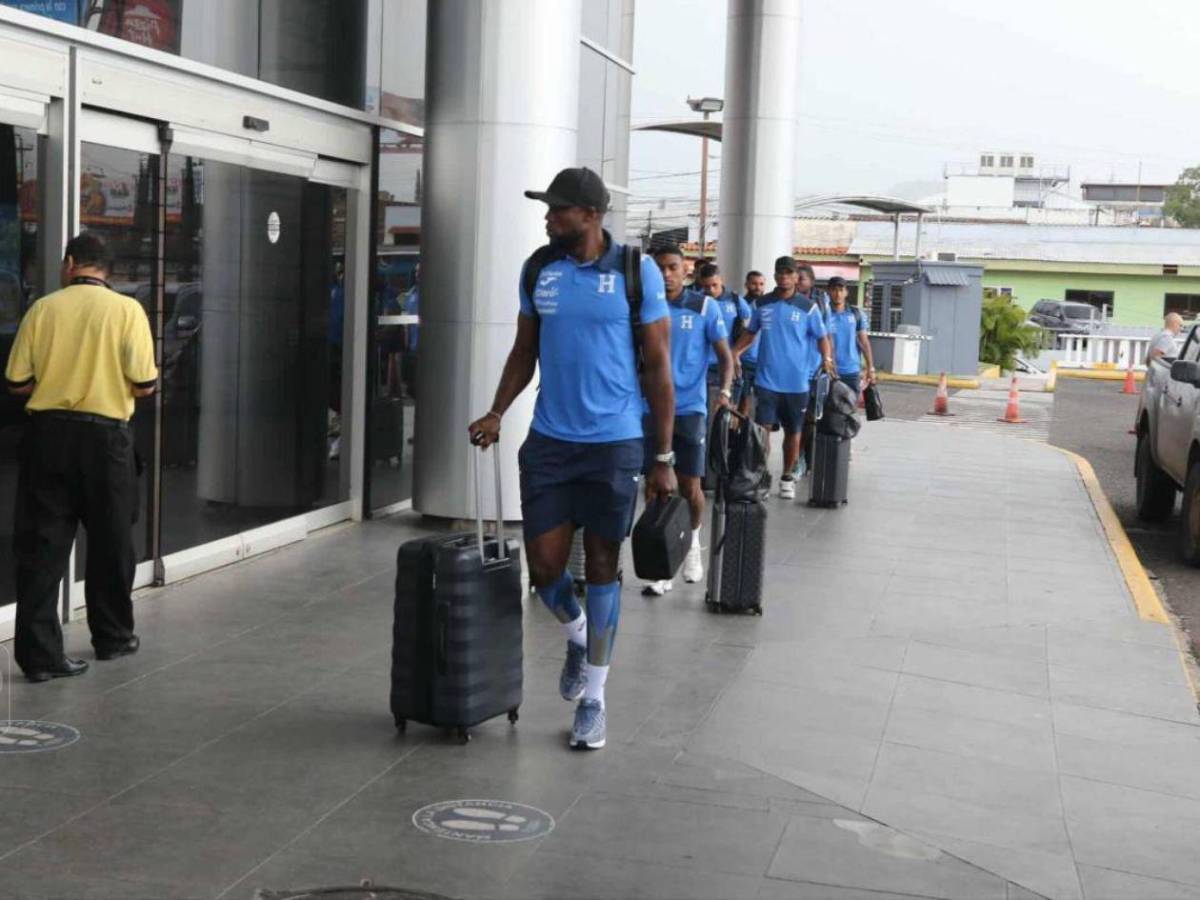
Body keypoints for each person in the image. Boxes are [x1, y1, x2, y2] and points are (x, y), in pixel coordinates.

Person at [468, 167, 675, 751]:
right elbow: (524, 349)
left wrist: (663, 455)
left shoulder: (637, 272)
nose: (548, 217)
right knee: (547, 568)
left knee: (605, 565)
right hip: (552, 442)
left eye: (557, 209)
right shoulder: (541, 269)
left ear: (590, 214)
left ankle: (594, 699)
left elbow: (658, 366)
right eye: (548, 209)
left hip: (614, 443)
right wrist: (496, 411)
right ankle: (580, 636)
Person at [6, 233, 157, 682]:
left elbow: (17, 383)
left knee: (42, 545)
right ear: (105, 270)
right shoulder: (128, 311)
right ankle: (112, 637)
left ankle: (39, 657)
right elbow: (145, 385)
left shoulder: (43, 309)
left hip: (47, 437)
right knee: (112, 542)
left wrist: (58, 382)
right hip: (107, 441)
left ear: (70, 263)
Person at [642, 246, 734, 597]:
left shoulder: (703, 307)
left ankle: (693, 543)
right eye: (660, 268)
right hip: (649, 410)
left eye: (672, 267)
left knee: (689, 487)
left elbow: (726, 356)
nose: (666, 274)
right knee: (654, 487)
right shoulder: (644, 307)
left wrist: (724, 392)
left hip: (690, 409)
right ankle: (661, 563)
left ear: (686, 270)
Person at [731, 255, 833, 500]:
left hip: (797, 382)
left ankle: (787, 476)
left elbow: (822, 337)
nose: (785, 277)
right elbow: (750, 332)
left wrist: (827, 360)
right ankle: (761, 475)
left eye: (789, 273)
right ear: (775, 276)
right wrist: (734, 352)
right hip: (767, 380)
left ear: (796, 277)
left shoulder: (808, 307)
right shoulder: (762, 304)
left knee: (793, 431)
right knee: (762, 429)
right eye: (781, 273)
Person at [696, 262, 751, 403]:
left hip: (726, 363)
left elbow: (750, 330)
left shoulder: (735, 301)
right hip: (702, 364)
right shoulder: (697, 302)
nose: (711, 290)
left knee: (726, 410)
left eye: (714, 285)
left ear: (721, 280)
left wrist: (737, 353)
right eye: (706, 286)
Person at [824, 276, 876, 397]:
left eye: (841, 290)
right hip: (829, 371)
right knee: (827, 412)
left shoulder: (856, 314)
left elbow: (864, 342)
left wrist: (870, 368)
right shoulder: (822, 314)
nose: (838, 294)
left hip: (851, 371)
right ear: (829, 292)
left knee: (850, 410)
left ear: (846, 292)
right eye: (834, 290)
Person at [738, 269, 766, 418]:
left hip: (763, 362)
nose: (758, 287)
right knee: (743, 404)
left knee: (763, 407)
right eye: (754, 284)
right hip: (744, 361)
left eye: (761, 284)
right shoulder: (741, 306)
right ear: (747, 284)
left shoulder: (767, 306)